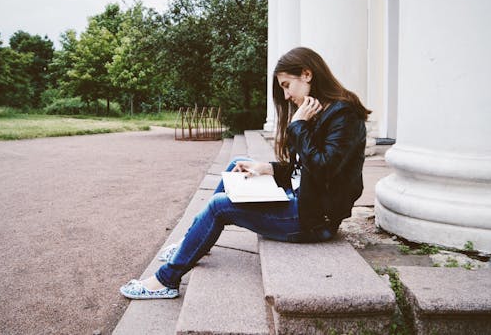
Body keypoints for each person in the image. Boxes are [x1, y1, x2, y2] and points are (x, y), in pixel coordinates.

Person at [119, 47, 370, 299]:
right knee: (238, 164)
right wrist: (268, 168)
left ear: (306, 74)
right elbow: (304, 169)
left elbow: (323, 168)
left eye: (286, 85)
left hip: (313, 221)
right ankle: (191, 240)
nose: (285, 95)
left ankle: (166, 280)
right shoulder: (318, 111)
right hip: (303, 201)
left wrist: (299, 126)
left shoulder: (343, 115)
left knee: (220, 206)